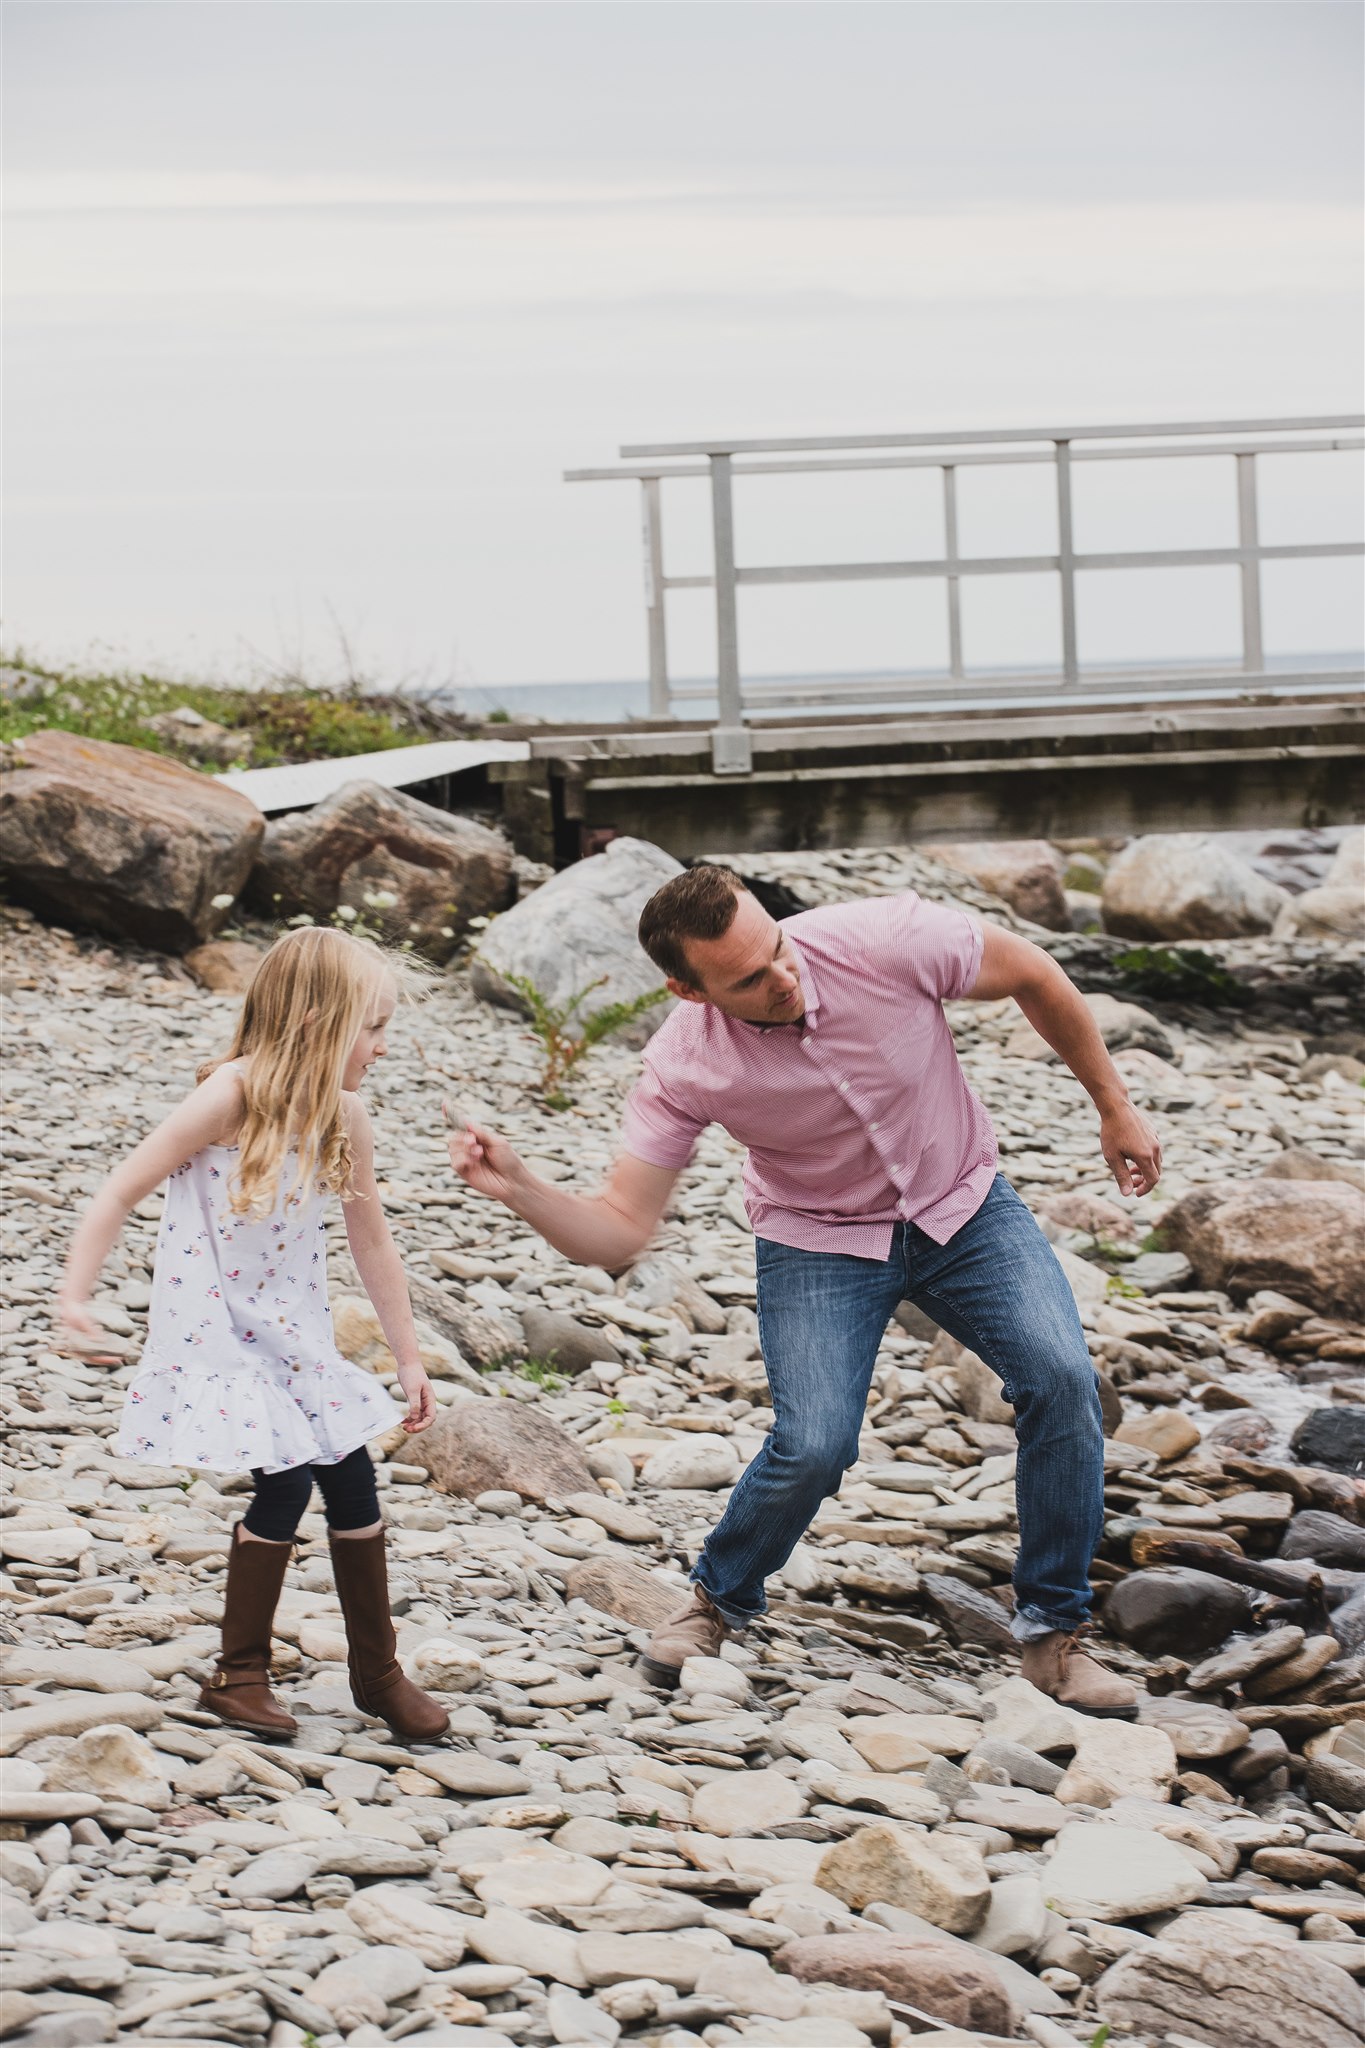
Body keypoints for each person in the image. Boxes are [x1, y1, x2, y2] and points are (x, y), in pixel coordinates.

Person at [449, 866, 1164, 1717]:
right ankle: (717, 1600)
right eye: (748, 979)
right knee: (815, 1444)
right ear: (688, 989)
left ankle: (1053, 1636)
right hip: (820, 1240)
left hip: (964, 1207)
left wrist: (1111, 1104)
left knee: (1061, 1381)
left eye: (777, 950)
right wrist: (521, 1187)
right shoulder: (684, 1065)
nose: (782, 978)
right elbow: (618, 1232)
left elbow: (1035, 974)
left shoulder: (886, 939)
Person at [59, 926, 450, 1745]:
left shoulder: (344, 1114)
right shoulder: (229, 1097)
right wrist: (75, 1297)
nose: (382, 1046)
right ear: (316, 1022)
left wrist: (407, 1356)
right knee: (285, 1483)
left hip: (293, 1331)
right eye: (371, 1027)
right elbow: (117, 1190)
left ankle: (377, 1674)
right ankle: (239, 1676)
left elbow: (370, 1240)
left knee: (351, 1482)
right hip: (222, 1332)